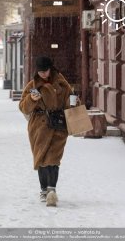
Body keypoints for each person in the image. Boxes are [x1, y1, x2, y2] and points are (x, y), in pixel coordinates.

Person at [19, 56, 74, 207]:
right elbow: (23, 107)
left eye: (46, 71)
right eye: (40, 71)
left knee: (53, 159)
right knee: (41, 159)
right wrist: (31, 99)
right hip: (39, 127)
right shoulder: (33, 85)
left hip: (58, 125)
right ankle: (44, 190)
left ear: (51, 69)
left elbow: (71, 102)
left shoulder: (63, 85)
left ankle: (52, 190)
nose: (43, 74)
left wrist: (73, 102)